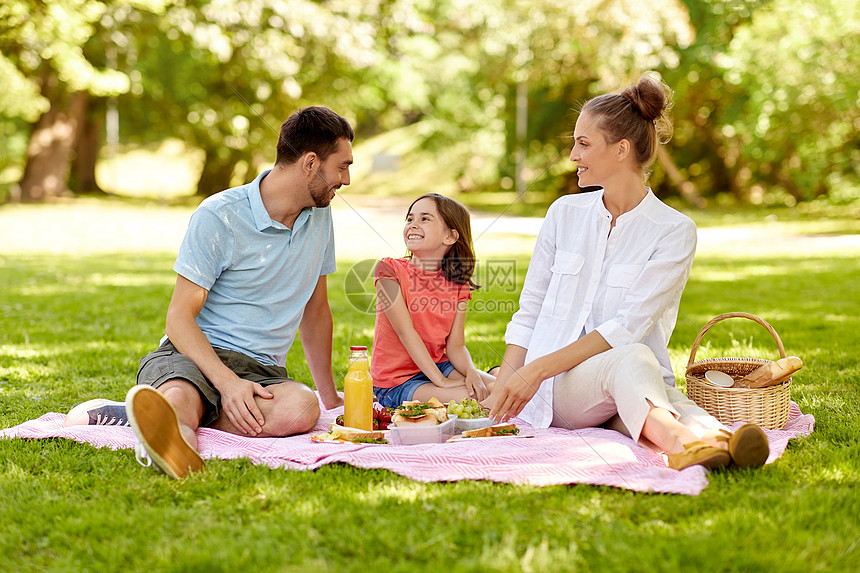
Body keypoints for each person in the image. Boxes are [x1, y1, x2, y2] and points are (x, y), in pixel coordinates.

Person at [484, 76, 769, 471]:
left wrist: (534, 369)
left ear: (621, 150)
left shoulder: (674, 230)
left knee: (654, 393)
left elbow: (627, 325)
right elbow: (530, 309)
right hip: (557, 389)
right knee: (632, 361)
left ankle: (715, 442)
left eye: (583, 143)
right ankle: (681, 443)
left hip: (635, 378)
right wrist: (517, 376)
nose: (572, 155)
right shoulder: (563, 214)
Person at [65, 106, 353, 479]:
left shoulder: (320, 215)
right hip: (194, 354)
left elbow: (315, 312)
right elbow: (179, 319)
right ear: (311, 163)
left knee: (301, 410)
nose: (346, 180)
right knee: (185, 397)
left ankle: (154, 415)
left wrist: (328, 397)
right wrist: (227, 383)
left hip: (262, 370)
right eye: (342, 166)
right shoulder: (219, 215)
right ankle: (176, 440)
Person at [370, 193, 496, 409]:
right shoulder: (389, 270)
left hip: (439, 365)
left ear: (450, 236)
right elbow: (406, 333)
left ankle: (494, 374)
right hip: (396, 382)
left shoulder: (459, 283)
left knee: (499, 388)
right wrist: (441, 382)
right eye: (410, 219)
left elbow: (456, 345)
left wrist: (471, 373)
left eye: (425, 219)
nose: (413, 225)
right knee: (476, 399)